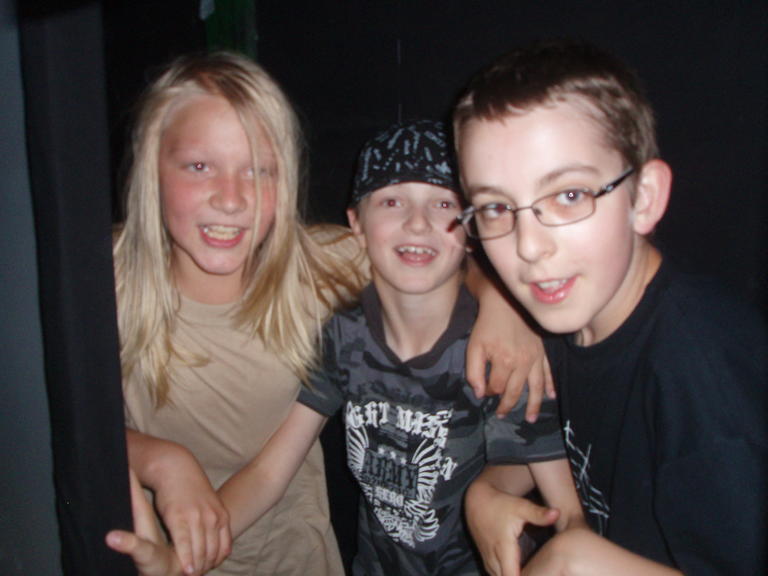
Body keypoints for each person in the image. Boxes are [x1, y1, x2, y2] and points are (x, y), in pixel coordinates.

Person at [104, 52, 553, 576]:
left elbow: (439, 253)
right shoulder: (100, 281)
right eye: (200, 166)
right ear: (151, 168)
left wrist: (505, 308)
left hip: (299, 559)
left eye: (259, 170)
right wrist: (159, 460)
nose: (230, 198)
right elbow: (55, 429)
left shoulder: (318, 265)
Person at [453, 38, 768, 575]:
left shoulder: (705, 378)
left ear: (643, 198)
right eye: (496, 208)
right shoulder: (574, 308)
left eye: (569, 195)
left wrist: (580, 562)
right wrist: (486, 491)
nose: (529, 247)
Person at [214, 119, 583, 576]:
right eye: (392, 201)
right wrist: (184, 551)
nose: (418, 222)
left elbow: (569, 515)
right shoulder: (343, 337)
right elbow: (271, 472)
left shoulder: (498, 352)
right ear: (357, 223)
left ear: (470, 228)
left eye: (443, 203)